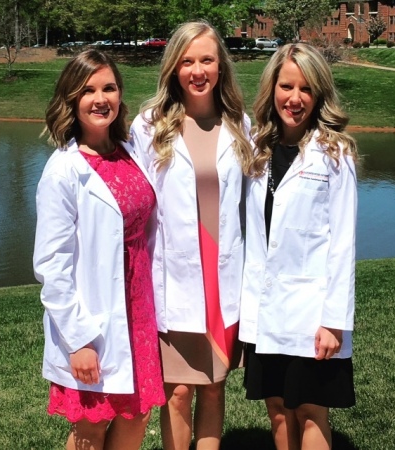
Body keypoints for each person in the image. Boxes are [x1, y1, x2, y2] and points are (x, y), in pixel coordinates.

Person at [130, 21, 253, 450]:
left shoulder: (241, 124)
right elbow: (135, 207)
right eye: (187, 61)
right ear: (173, 68)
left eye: (206, 59)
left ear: (221, 66)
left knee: (214, 387)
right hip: (173, 281)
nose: (197, 70)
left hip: (223, 283)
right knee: (177, 391)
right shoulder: (149, 126)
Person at [33, 49, 165, 450]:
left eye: (109, 87)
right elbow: (51, 266)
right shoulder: (63, 171)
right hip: (96, 322)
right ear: (71, 99)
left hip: (138, 312)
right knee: (91, 428)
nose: (100, 98)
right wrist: (79, 341)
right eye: (88, 90)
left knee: (137, 416)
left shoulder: (129, 152)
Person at [239, 43, 358, 450]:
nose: (295, 98)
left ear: (319, 93)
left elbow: (343, 244)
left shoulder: (334, 154)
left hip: (312, 312)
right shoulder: (256, 149)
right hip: (265, 308)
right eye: (286, 86)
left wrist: (334, 320)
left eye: (306, 89)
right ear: (272, 89)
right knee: (276, 407)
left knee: (309, 409)